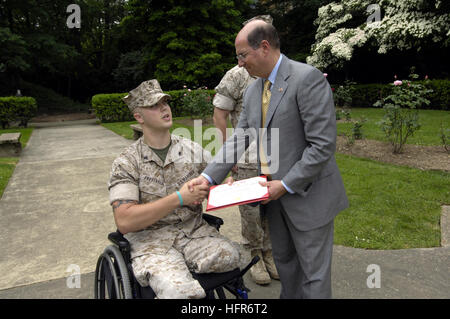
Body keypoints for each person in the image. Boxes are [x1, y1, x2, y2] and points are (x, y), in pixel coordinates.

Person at [189, 20, 349, 298]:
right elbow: (239, 139)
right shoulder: (254, 90)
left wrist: (285, 184)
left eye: (242, 55)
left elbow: (322, 146)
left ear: (264, 47)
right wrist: (207, 177)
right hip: (274, 201)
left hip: (309, 197)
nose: (239, 63)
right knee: (287, 267)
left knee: (314, 275)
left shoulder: (307, 78)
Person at [108, 79, 240, 299]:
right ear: (138, 117)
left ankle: (186, 276)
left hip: (194, 234)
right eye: (153, 105)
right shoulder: (126, 162)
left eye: (165, 103)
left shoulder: (192, 150)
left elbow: (213, 183)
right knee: (179, 292)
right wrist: (179, 198)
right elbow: (125, 221)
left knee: (233, 256)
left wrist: (224, 186)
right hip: (152, 242)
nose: (164, 108)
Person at [212, 14, 279, 285]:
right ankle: (254, 257)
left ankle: (270, 253)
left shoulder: (278, 73)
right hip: (247, 155)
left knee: (272, 208)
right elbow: (219, 115)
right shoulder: (236, 75)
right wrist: (229, 156)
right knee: (250, 210)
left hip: (275, 155)